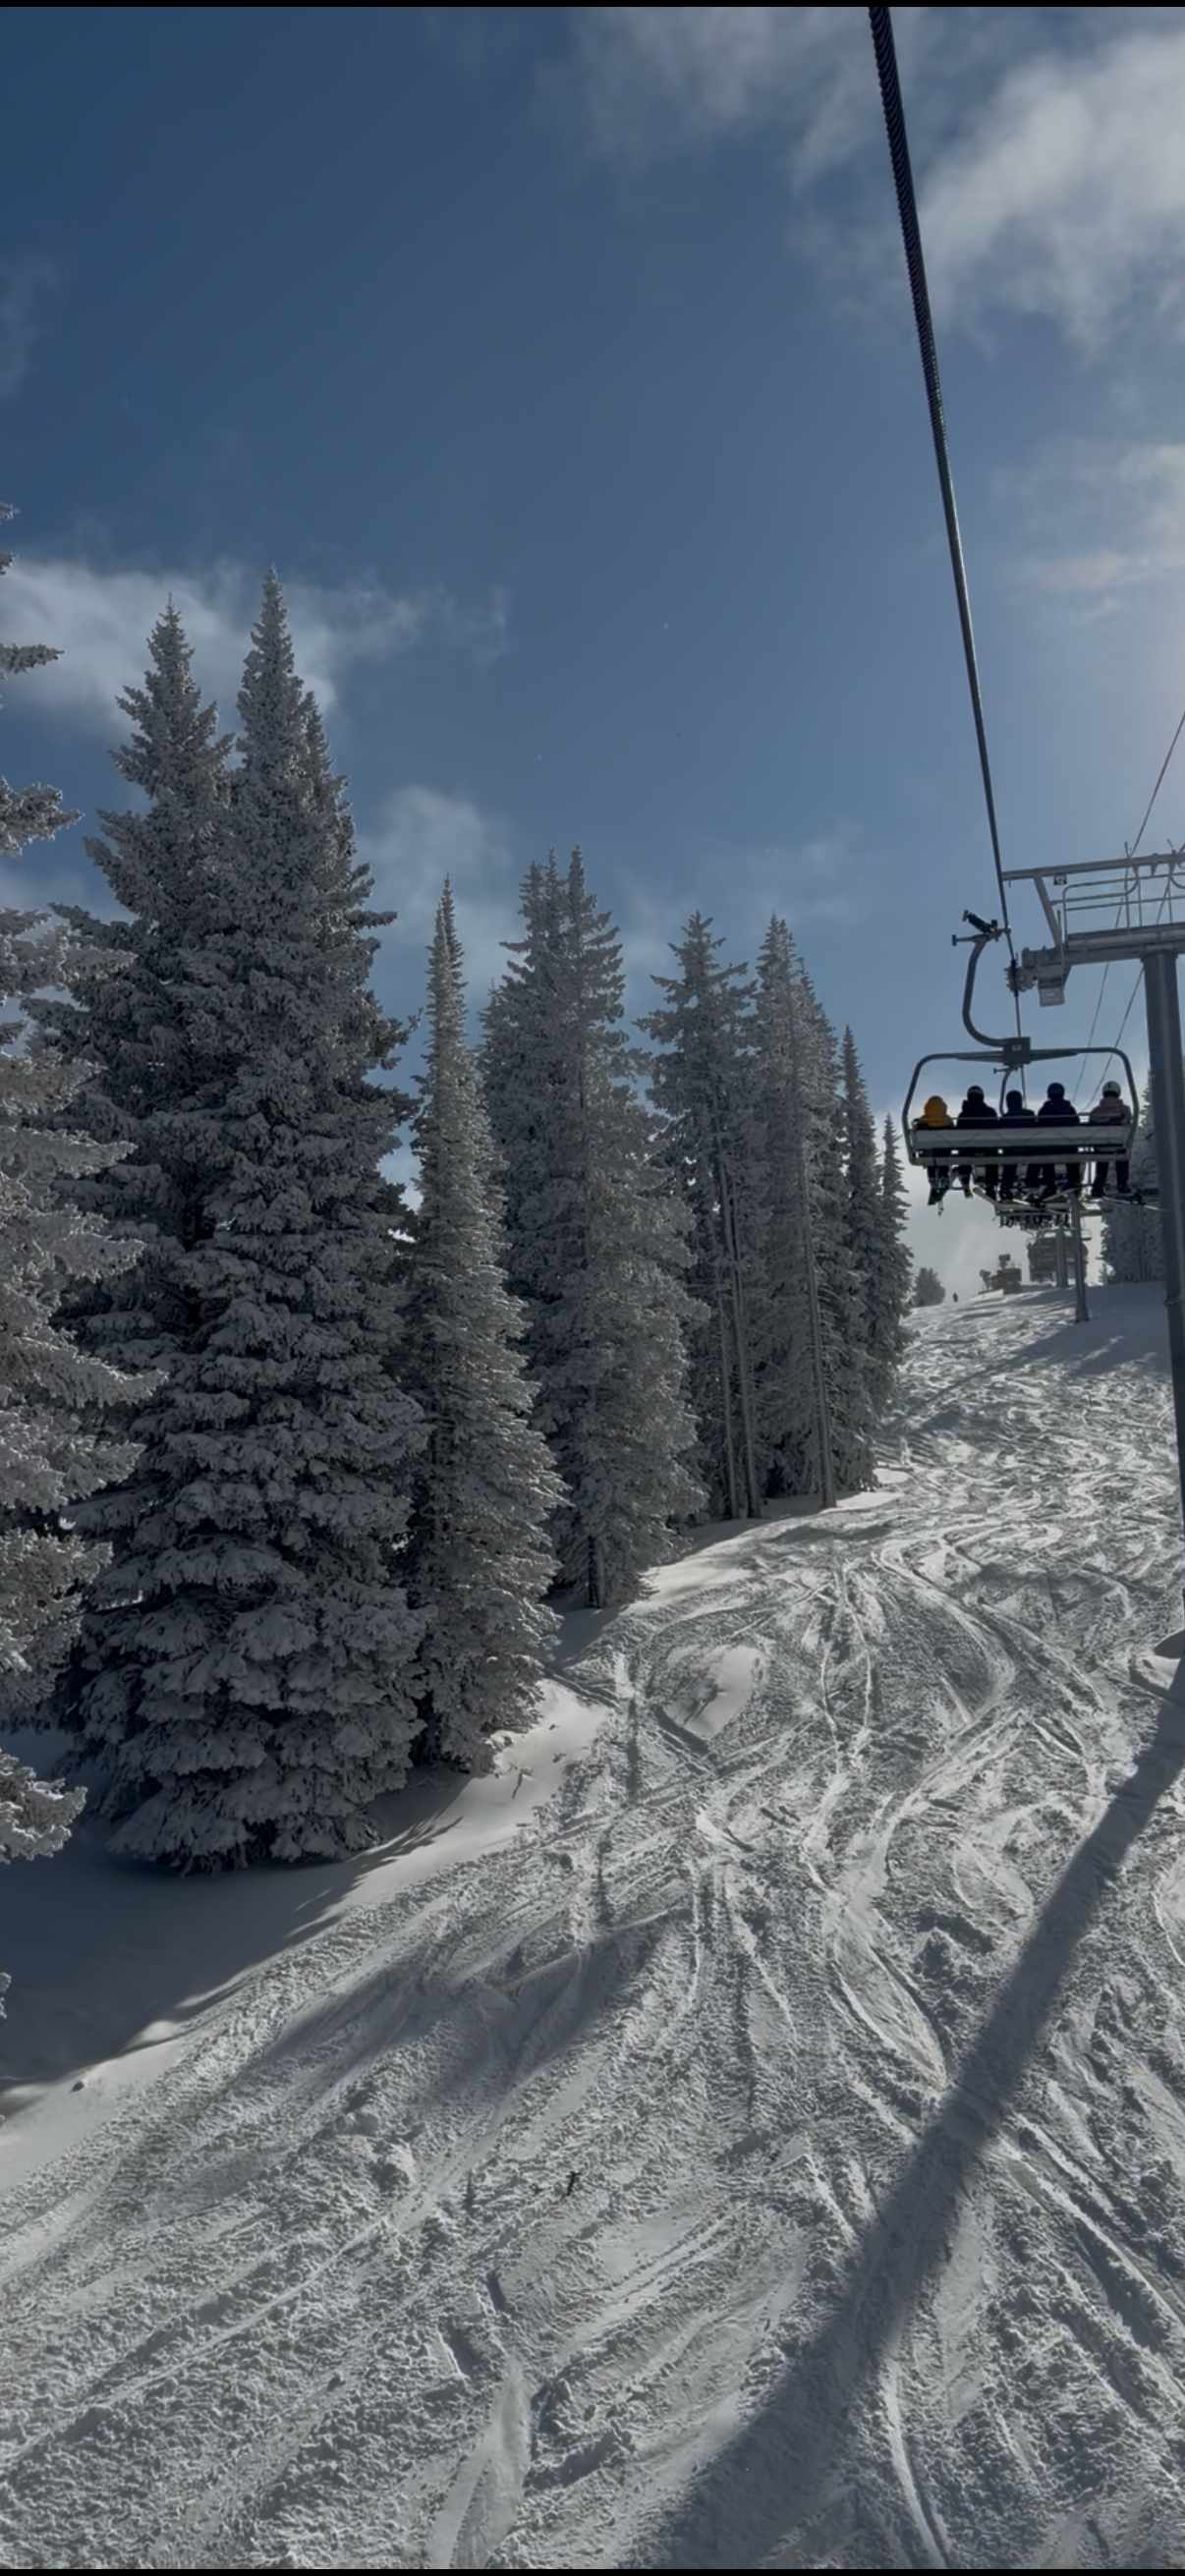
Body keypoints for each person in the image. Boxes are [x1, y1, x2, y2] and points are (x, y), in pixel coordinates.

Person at [1035, 1079, 1080, 1200]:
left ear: (1049, 1094)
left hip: (1050, 1147)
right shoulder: (1070, 1109)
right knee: (1072, 1154)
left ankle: (1050, 1184)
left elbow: (1039, 1126)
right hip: (1068, 1147)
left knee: (1046, 1157)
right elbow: (1076, 1123)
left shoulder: (1044, 1110)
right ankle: (1074, 1180)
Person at [955, 1083, 999, 1198]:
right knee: (992, 1156)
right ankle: (990, 1186)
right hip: (988, 1148)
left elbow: (958, 1133)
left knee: (963, 1154)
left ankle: (965, 1180)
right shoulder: (990, 1112)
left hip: (968, 1149)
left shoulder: (963, 1115)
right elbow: (997, 1129)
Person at [1088, 1079, 1131, 1197]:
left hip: (1101, 1147)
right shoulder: (1125, 1109)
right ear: (1118, 1093)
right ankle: (1122, 1184)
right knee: (1122, 1156)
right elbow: (1127, 1124)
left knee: (1102, 1158)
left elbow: (1090, 1127)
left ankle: (1098, 1185)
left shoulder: (1095, 1111)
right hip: (1118, 1145)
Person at [997, 1085, 1037, 1202]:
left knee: (1009, 1163)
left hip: (1011, 1151)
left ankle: (1006, 1186)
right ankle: (1031, 1180)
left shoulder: (1005, 1118)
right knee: (1037, 1156)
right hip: (1029, 1150)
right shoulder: (1029, 1115)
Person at [914, 1093, 953, 1204]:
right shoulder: (947, 1120)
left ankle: (932, 1178)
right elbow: (953, 1133)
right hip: (943, 1151)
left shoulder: (923, 1120)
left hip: (929, 1152)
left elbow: (917, 1134)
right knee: (943, 1154)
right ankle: (943, 1175)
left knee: (930, 1157)